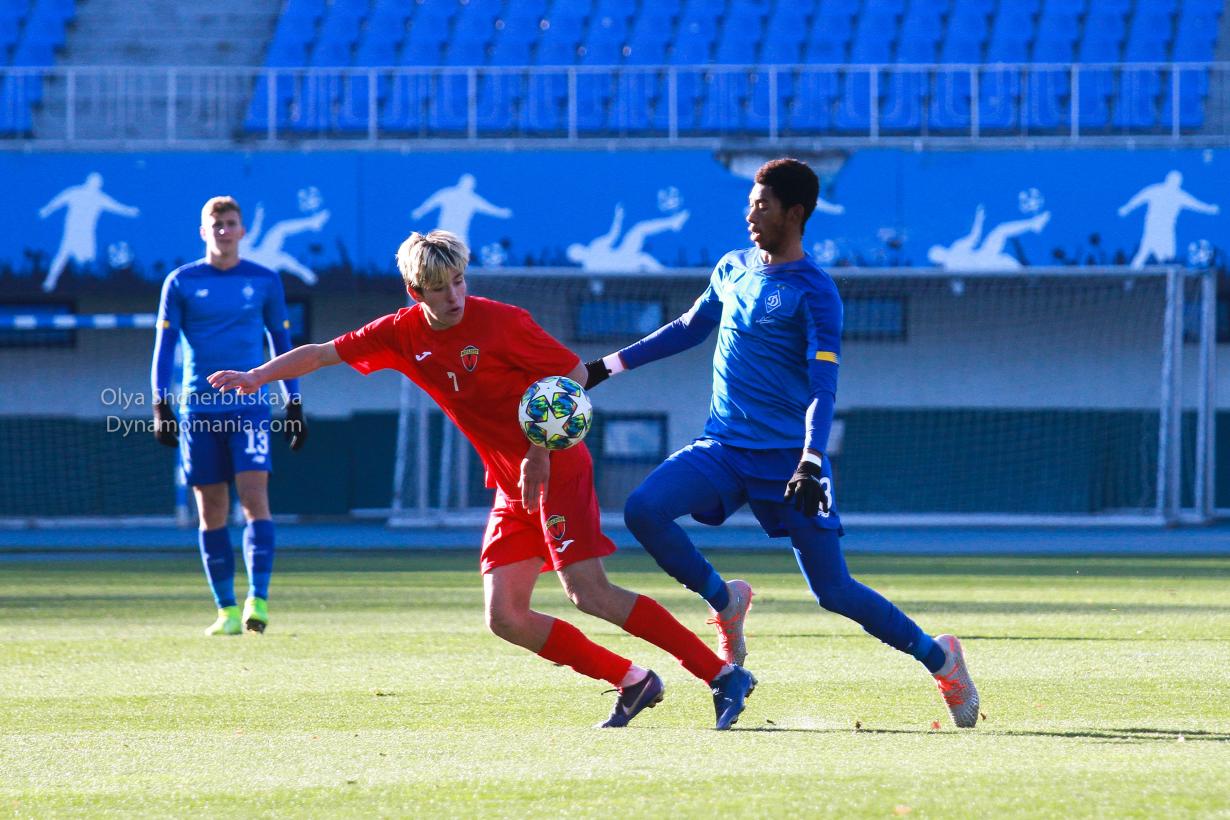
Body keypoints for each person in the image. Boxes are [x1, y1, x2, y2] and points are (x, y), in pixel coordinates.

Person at [207, 229, 756, 730]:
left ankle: (721, 674)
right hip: (511, 483)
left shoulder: (502, 322)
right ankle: (633, 681)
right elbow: (323, 353)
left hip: (557, 466)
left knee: (589, 592)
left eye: (459, 280)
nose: (455, 295)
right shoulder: (399, 332)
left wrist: (539, 451)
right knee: (506, 616)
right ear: (415, 291)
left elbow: (570, 375)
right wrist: (257, 375)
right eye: (439, 287)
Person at [584, 158, 980, 729]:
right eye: (749, 203)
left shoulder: (815, 292)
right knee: (644, 509)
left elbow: (824, 386)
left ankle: (941, 660)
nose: (750, 215)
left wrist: (812, 460)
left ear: (794, 214)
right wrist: (603, 368)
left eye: (762, 205)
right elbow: (688, 328)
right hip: (723, 448)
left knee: (834, 591)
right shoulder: (732, 267)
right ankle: (725, 599)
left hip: (792, 465)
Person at [150, 196, 307, 637]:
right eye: (216, 224)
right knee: (211, 509)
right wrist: (160, 403)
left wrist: (293, 402)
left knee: (255, 498)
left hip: (249, 408)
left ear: (243, 230)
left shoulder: (264, 280)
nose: (224, 230)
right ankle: (226, 610)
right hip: (199, 411)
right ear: (203, 231)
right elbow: (164, 347)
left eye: (231, 223)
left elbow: (281, 344)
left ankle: (259, 598)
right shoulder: (181, 282)